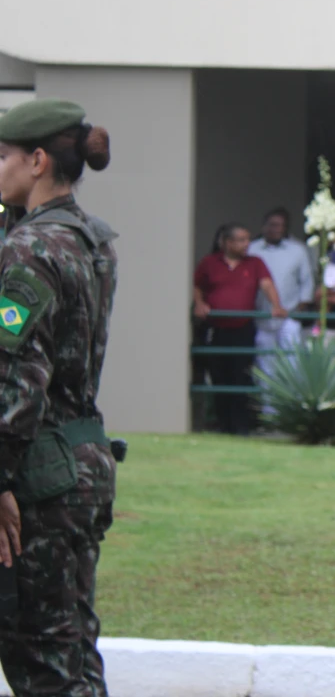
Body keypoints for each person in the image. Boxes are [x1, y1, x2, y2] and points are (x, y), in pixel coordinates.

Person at [0, 99, 124, 695]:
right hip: (85, 463)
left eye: (2, 158)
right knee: (74, 649)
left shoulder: (29, 250)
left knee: (40, 656)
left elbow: (19, 380)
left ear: (38, 160)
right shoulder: (92, 240)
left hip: (36, 477)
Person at [194, 224, 288, 434]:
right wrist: (200, 303)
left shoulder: (255, 263)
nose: (247, 244)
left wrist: (276, 305)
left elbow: (266, 284)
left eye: (247, 239)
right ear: (227, 242)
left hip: (243, 328)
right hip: (216, 329)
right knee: (219, 376)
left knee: (241, 375)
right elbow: (197, 285)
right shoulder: (210, 263)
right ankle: (222, 423)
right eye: (241, 240)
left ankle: (241, 426)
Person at [248, 208, 314, 384]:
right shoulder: (252, 249)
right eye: (272, 225)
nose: (276, 229)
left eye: (280, 226)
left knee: (293, 363)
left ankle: (291, 407)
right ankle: (269, 410)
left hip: (289, 316)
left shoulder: (298, 250)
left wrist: (302, 305)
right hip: (262, 317)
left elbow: (307, 281)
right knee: (265, 365)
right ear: (264, 226)